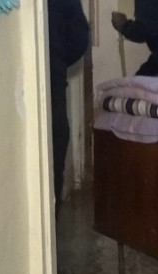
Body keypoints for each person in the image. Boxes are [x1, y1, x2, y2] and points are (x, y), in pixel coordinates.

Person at [48, 0, 90, 217]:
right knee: (54, 161)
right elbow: (80, 38)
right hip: (53, 83)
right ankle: (51, 227)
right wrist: (58, 58)